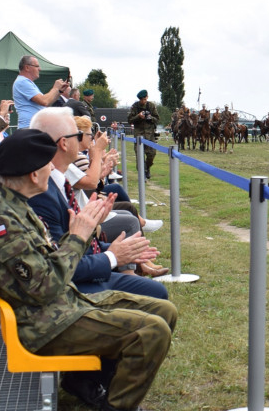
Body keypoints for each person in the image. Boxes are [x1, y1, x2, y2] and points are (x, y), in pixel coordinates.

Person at [0, 128, 178, 411]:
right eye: (47, 165)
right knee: (151, 331)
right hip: (41, 322)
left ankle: (113, 410)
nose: (53, 169)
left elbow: (45, 264)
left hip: (55, 306)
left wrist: (85, 231)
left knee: (163, 311)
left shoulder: (9, 201)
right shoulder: (0, 217)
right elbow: (45, 285)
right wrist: (78, 236)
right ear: (33, 174)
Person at [26, 107, 169, 297]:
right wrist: (111, 256)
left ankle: (135, 265)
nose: (84, 140)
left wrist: (120, 250)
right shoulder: (43, 192)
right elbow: (62, 263)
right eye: (78, 135)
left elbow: (73, 246)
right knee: (156, 293)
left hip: (83, 265)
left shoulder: (56, 180)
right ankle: (131, 270)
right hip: (71, 287)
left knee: (157, 291)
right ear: (64, 143)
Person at [12, 55, 66, 128]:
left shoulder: (26, 82)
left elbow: (46, 103)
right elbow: (44, 101)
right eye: (37, 66)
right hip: (29, 127)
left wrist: (59, 91)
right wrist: (55, 88)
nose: (40, 69)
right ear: (27, 67)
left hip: (32, 126)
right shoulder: (22, 82)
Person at [128, 90, 159, 179]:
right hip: (139, 135)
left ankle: (147, 168)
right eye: (141, 99)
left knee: (151, 155)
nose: (143, 101)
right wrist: (138, 116)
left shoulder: (151, 106)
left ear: (147, 97)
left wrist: (150, 117)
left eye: (145, 99)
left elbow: (157, 119)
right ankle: (142, 176)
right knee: (139, 157)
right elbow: (130, 120)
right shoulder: (135, 107)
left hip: (150, 135)